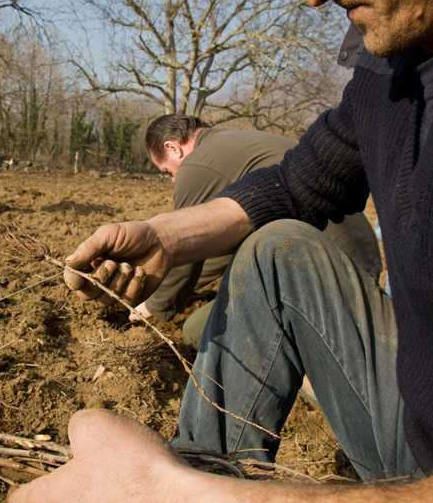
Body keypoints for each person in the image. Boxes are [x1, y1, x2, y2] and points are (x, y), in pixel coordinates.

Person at [6, 0, 433, 503]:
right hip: (423, 424)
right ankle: (200, 462)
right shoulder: (396, 65)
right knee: (280, 251)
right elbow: (298, 182)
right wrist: (165, 237)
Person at [133, 113, 383, 348]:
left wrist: (154, 304)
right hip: (357, 253)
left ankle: (311, 378)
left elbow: (183, 246)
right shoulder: (238, 144)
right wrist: (189, 290)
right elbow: (220, 248)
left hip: (323, 270)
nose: (173, 180)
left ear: (172, 148)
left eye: (167, 171)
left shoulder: (196, 167)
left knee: (198, 330)